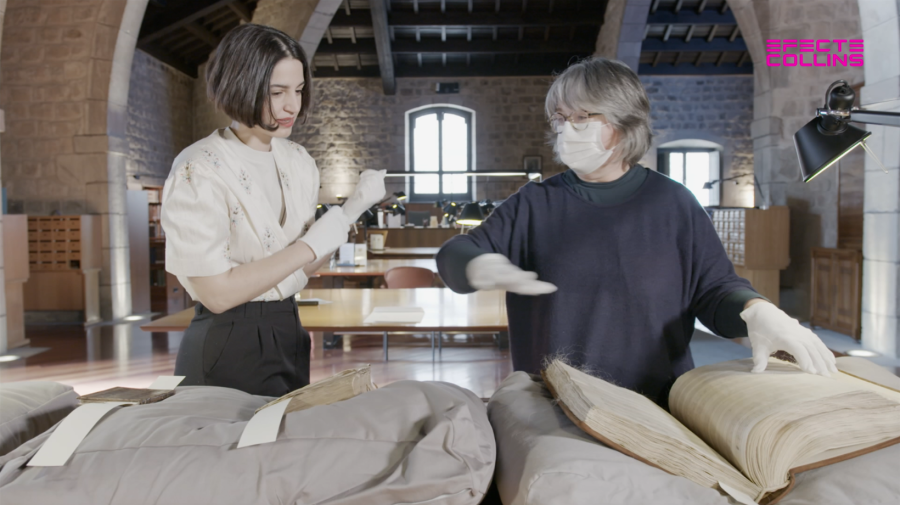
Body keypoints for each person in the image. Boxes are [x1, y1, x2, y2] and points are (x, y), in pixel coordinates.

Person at [436, 57, 836, 407]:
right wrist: (474, 265)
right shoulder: (535, 203)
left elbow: (713, 290)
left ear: (623, 123)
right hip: (553, 404)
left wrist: (755, 310)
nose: (566, 130)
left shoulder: (673, 203)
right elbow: (455, 253)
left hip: (654, 404)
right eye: (560, 118)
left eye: (581, 118)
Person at [161, 24, 385, 396]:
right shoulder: (198, 167)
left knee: (285, 450)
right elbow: (217, 294)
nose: (292, 106)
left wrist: (351, 211)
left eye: (297, 90)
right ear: (239, 84)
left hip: (289, 329)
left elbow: (306, 267)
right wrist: (310, 245)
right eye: (276, 92)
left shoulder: (298, 161)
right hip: (226, 339)